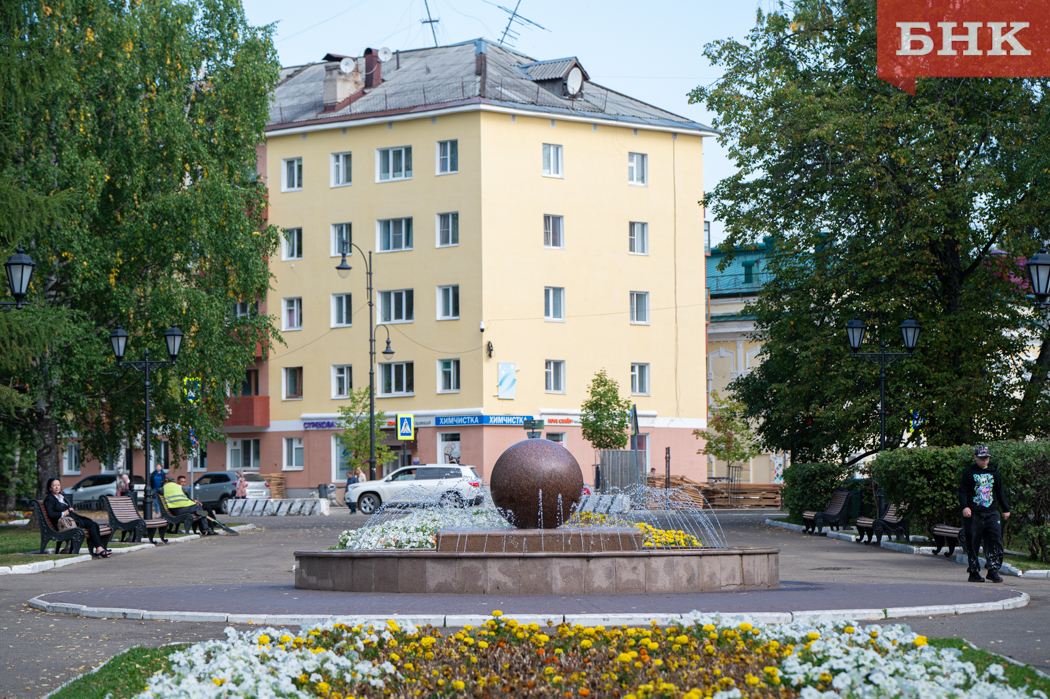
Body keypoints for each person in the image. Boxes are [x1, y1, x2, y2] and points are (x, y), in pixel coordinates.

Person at [960, 444, 1011, 583]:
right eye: (982, 458)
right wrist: (965, 507)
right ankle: (974, 572)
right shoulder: (969, 472)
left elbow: (999, 490)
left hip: (991, 513)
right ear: (975, 457)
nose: (985, 461)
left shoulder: (994, 472)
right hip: (974, 514)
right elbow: (963, 491)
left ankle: (993, 570)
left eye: (987, 458)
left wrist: (1005, 508)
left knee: (995, 541)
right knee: (973, 543)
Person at [43, 477, 111, 558]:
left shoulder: (60, 497)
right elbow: (51, 514)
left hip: (72, 520)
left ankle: (99, 547)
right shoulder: (49, 499)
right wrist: (63, 513)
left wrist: (69, 509)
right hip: (65, 524)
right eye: (54, 485)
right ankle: (99, 548)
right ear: (50, 487)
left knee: (94, 524)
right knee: (92, 525)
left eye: (58, 485)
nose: (57, 487)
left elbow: (61, 507)